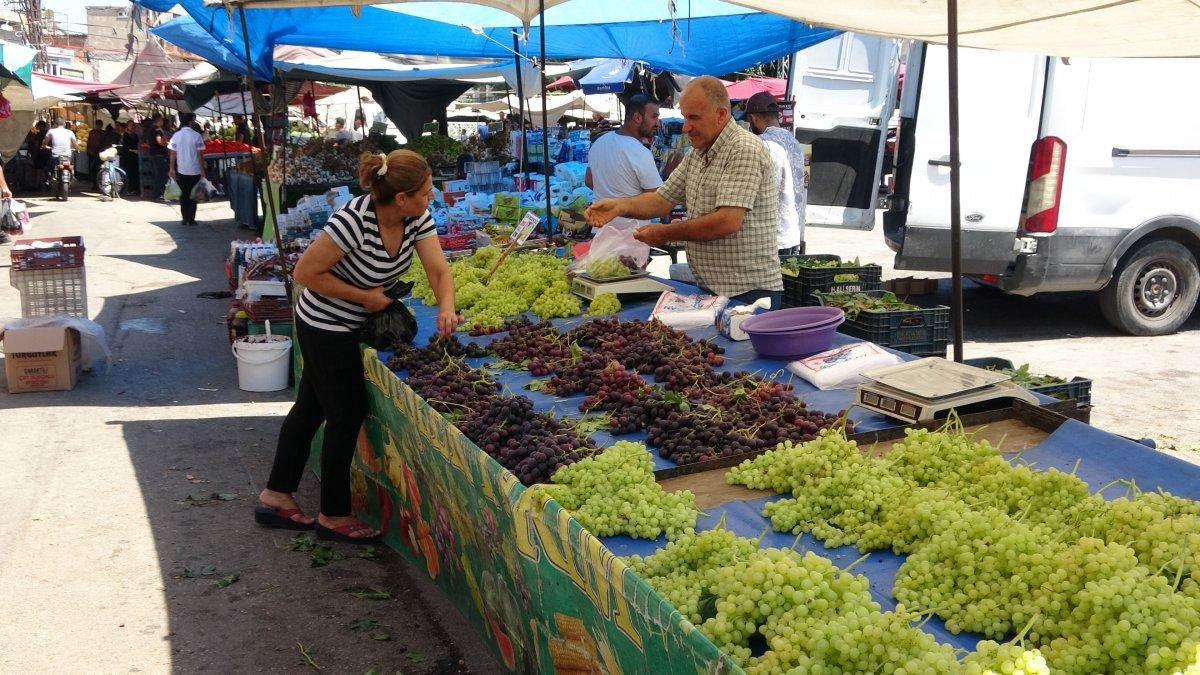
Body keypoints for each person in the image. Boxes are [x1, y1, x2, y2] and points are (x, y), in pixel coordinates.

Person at [257, 149, 460, 543]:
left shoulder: (416, 219)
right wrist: (364, 297)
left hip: (355, 323)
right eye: (426, 192)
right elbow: (305, 272)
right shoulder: (353, 220)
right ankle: (333, 515)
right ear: (401, 198)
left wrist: (447, 307)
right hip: (324, 324)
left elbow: (438, 270)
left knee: (312, 406)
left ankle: (276, 495)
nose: (431, 197)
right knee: (346, 413)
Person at [585, 76, 783, 308]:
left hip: (748, 293)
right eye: (685, 117)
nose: (686, 127)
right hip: (713, 288)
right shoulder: (698, 153)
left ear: (721, 114)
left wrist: (666, 233)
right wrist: (619, 206)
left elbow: (727, 221)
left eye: (694, 118)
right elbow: (661, 199)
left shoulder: (743, 149)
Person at [584, 94, 665, 231]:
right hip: (631, 233)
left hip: (601, 228)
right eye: (654, 117)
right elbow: (657, 200)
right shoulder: (640, 152)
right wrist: (669, 174)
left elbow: (589, 181)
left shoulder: (599, 142)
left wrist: (612, 193)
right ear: (637, 117)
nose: (658, 123)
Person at [744, 92, 805, 256]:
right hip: (792, 231)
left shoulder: (762, 144)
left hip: (769, 236)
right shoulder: (795, 143)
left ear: (753, 119)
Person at [168, 113, 206, 226]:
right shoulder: (196, 136)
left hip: (181, 169)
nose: (194, 123)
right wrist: (202, 169)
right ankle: (191, 219)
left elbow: (172, 153)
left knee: (183, 195)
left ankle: (184, 218)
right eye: (193, 121)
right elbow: (200, 154)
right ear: (190, 122)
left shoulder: (176, 136)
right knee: (193, 195)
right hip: (195, 169)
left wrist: (171, 168)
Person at [42, 118, 79, 198]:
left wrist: (44, 146)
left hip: (55, 155)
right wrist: (76, 148)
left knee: (48, 168)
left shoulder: (51, 131)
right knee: (72, 163)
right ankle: (72, 174)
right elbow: (75, 145)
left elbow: (45, 143)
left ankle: (49, 178)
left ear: (55, 124)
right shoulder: (70, 132)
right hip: (67, 155)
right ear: (64, 124)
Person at [120, 119, 140, 194]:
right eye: (130, 125)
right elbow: (124, 147)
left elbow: (137, 144)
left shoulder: (135, 135)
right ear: (127, 126)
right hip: (127, 156)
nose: (132, 127)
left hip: (135, 157)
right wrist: (133, 150)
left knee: (135, 173)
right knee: (128, 173)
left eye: (133, 125)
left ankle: (135, 189)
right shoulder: (125, 135)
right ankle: (128, 189)